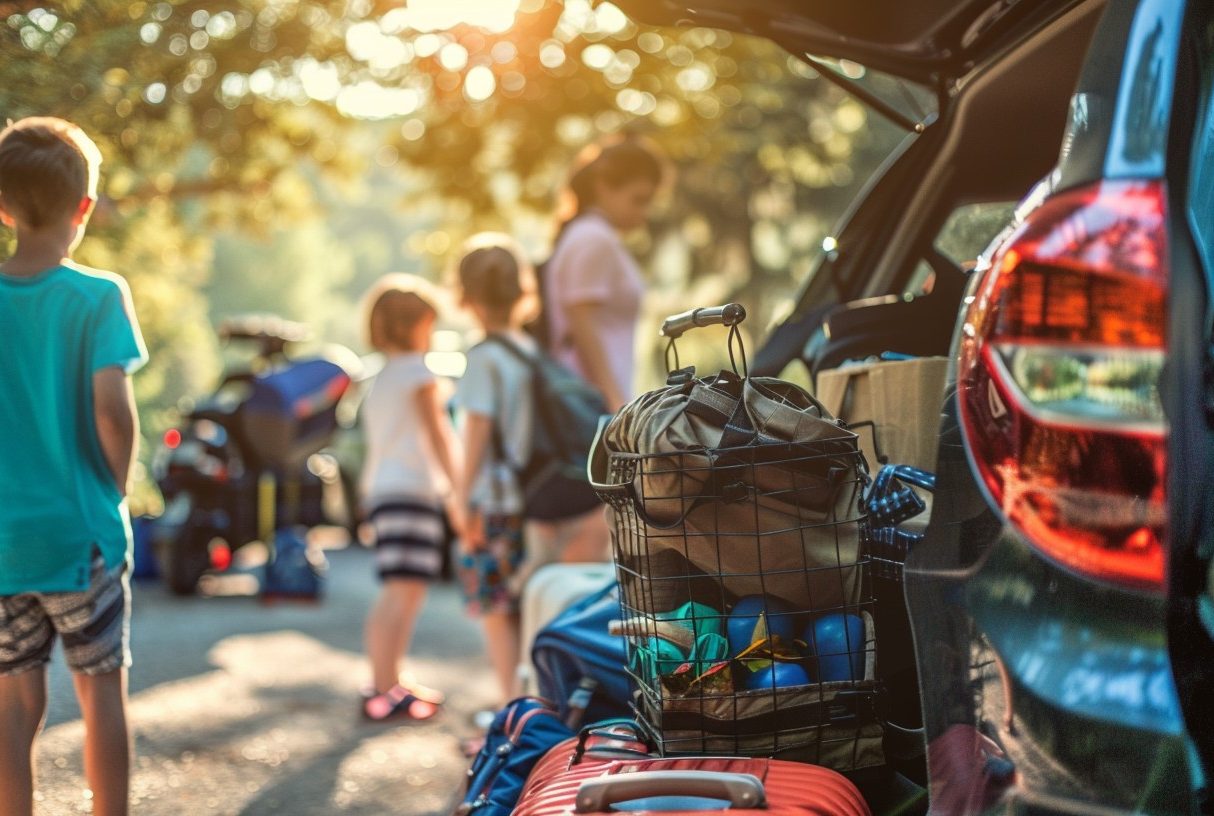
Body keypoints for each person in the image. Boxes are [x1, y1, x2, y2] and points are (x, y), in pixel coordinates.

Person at [0, 117, 147, 816]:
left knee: (14, 700)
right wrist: (111, 490)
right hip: (81, 534)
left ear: (1, 206)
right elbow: (113, 411)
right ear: (83, 207)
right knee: (101, 692)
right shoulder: (97, 295)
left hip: (4, 540)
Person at [532, 135, 666, 565]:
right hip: (591, 409)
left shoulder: (585, 235)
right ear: (605, 187)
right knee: (590, 541)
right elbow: (581, 324)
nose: (644, 214)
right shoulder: (594, 239)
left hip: (587, 406)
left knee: (587, 541)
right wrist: (614, 404)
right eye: (638, 200)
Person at [358, 274, 462, 721]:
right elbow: (440, 436)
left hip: (387, 490)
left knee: (405, 588)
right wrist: (460, 490)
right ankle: (382, 686)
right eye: (430, 324)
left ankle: (391, 678)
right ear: (415, 325)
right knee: (401, 590)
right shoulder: (420, 375)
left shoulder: (382, 377)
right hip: (410, 492)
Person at [452, 234, 540, 703]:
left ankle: (511, 709)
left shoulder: (483, 357)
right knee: (526, 607)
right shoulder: (530, 352)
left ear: (465, 297)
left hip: (494, 502)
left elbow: (477, 435)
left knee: (495, 609)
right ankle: (533, 705)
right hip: (533, 499)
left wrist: (461, 500)